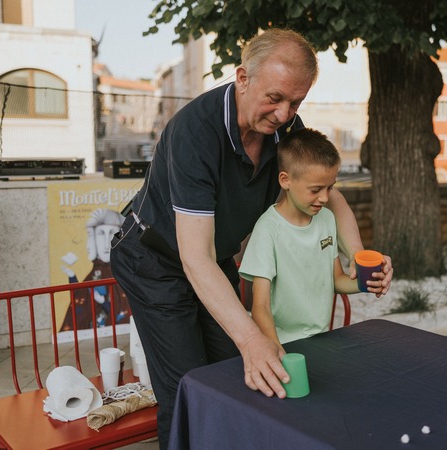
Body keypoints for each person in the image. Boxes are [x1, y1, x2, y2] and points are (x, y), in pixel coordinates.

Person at [110, 28, 393, 449]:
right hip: (154, 259)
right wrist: (252, 338)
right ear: (243, 78)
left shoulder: (285, 130)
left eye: (295, 102)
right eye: (274, 98)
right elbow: (194, 259)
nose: (284, 114)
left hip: (211, 258)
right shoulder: (195, 133)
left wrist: (359, 255)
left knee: (237, 371)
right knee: (189, 385)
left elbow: (329, 195)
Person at [239, 128, 384, 348]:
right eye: (316, 189)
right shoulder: (267, 229)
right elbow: (260, 307)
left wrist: (367, 283)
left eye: (330, 188)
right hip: (283, 345)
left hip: (322, 340)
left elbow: (337, 279)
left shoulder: (326, 219)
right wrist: (276, 351)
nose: (325, 198)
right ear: (285, 180)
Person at [60, 208, 130, 331]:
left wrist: (103, 302)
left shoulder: (124, 268)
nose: (107, 240)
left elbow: (123, 309)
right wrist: (72, 276)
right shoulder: (95, 272)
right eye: (101, 233)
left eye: (112, 232)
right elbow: (80, 297)